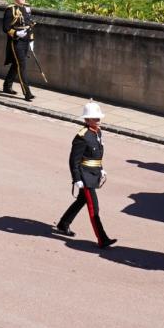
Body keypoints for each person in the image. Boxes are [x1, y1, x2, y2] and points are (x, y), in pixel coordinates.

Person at [54, 101, 116, 248]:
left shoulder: (98, 132)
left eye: (98, 118)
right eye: (95, 118)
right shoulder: (82, 136)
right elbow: (73, 160)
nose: (98, 120)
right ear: (87, 120)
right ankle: (102, 239)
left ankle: (63, 224)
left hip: (93, 174)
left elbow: (97, 154)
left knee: (81, 201)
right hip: (85, 177)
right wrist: (76, 179)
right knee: (94, 208)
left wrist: (101, 168)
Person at [1, 0, 36, 101]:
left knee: (16, 65)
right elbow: (5, 28)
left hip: (25, 40)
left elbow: (29, 24)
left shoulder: (27, 7)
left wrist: (31, 39)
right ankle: (27, 92)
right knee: (22, 66)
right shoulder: (10, 9)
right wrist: (16, 34)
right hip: (16, 41)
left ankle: (7, 86)